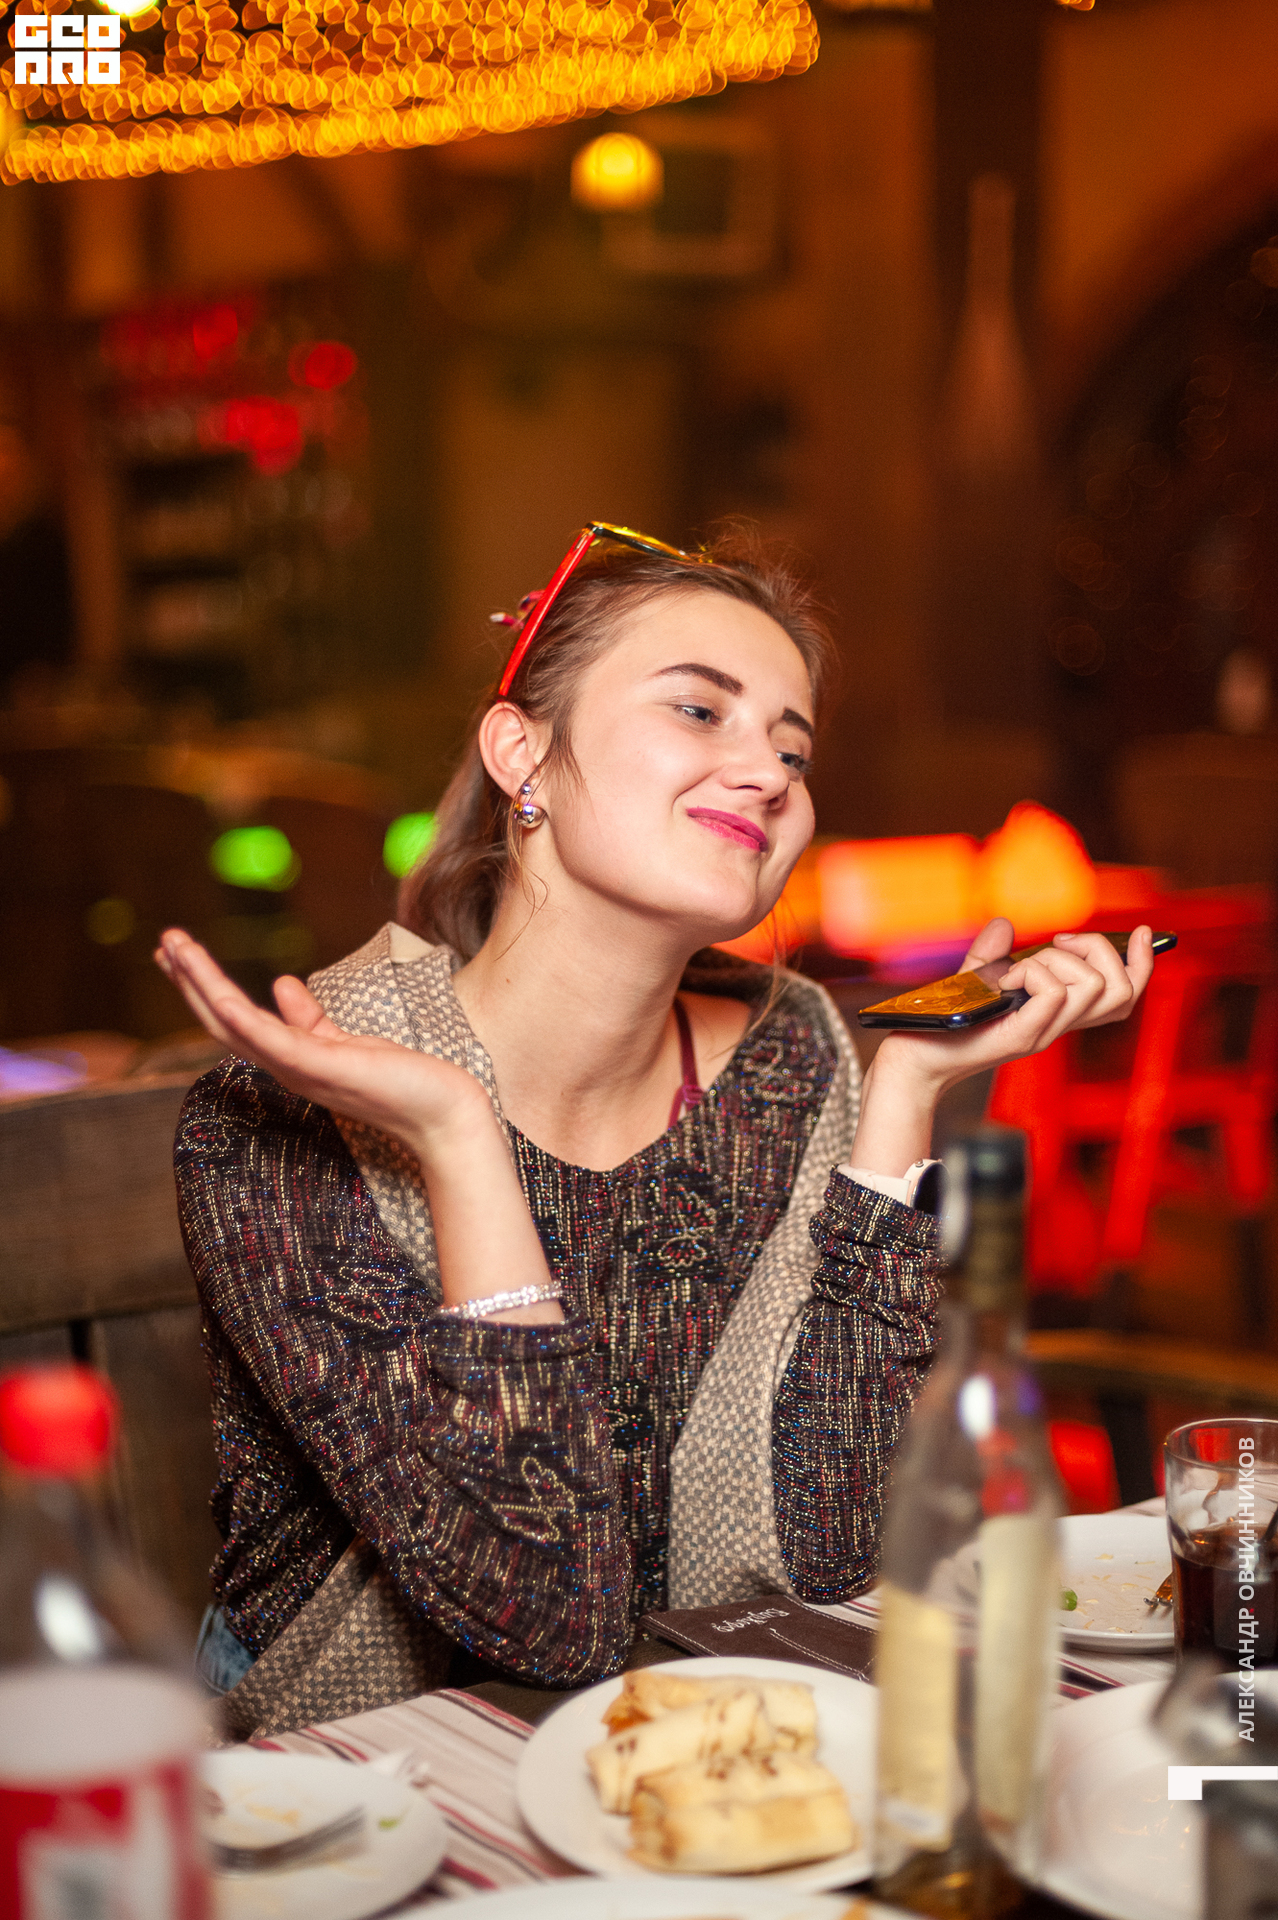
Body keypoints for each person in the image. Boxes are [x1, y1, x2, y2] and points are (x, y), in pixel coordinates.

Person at [161, 523, 1154, 1728]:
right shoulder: (284, 1110)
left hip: (693, 1723)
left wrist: (903, 1093)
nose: (769, 774)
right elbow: (549, 1619)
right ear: (521, 752)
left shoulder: (796, 1057)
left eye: (791, 748)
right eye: (699, 710)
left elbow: (838, 1547)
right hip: (355, 1768)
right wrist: (461, 1138)